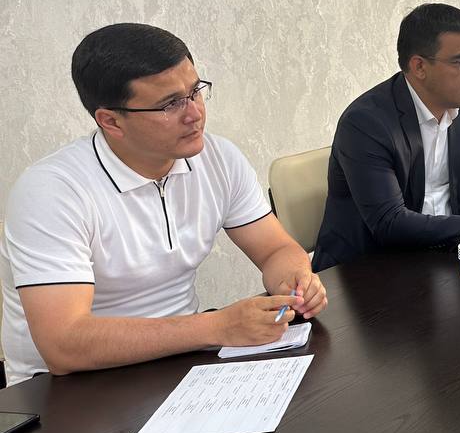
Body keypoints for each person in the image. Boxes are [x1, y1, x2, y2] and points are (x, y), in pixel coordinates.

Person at [0, 24, 327, 387]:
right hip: (63, 389)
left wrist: (295, 279)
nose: (194, 114)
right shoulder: (52, 191)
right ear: (111, 121)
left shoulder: (218, 158)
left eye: (195, 92)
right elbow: (65, 345)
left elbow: (275, 249)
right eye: (170, 104)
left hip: (179, 360)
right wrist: (215, 326)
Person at [312, 4, 460, 271]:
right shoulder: (366, 123)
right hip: (366, 270)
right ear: (419, 66)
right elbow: (389, 222)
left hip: (442, 255)